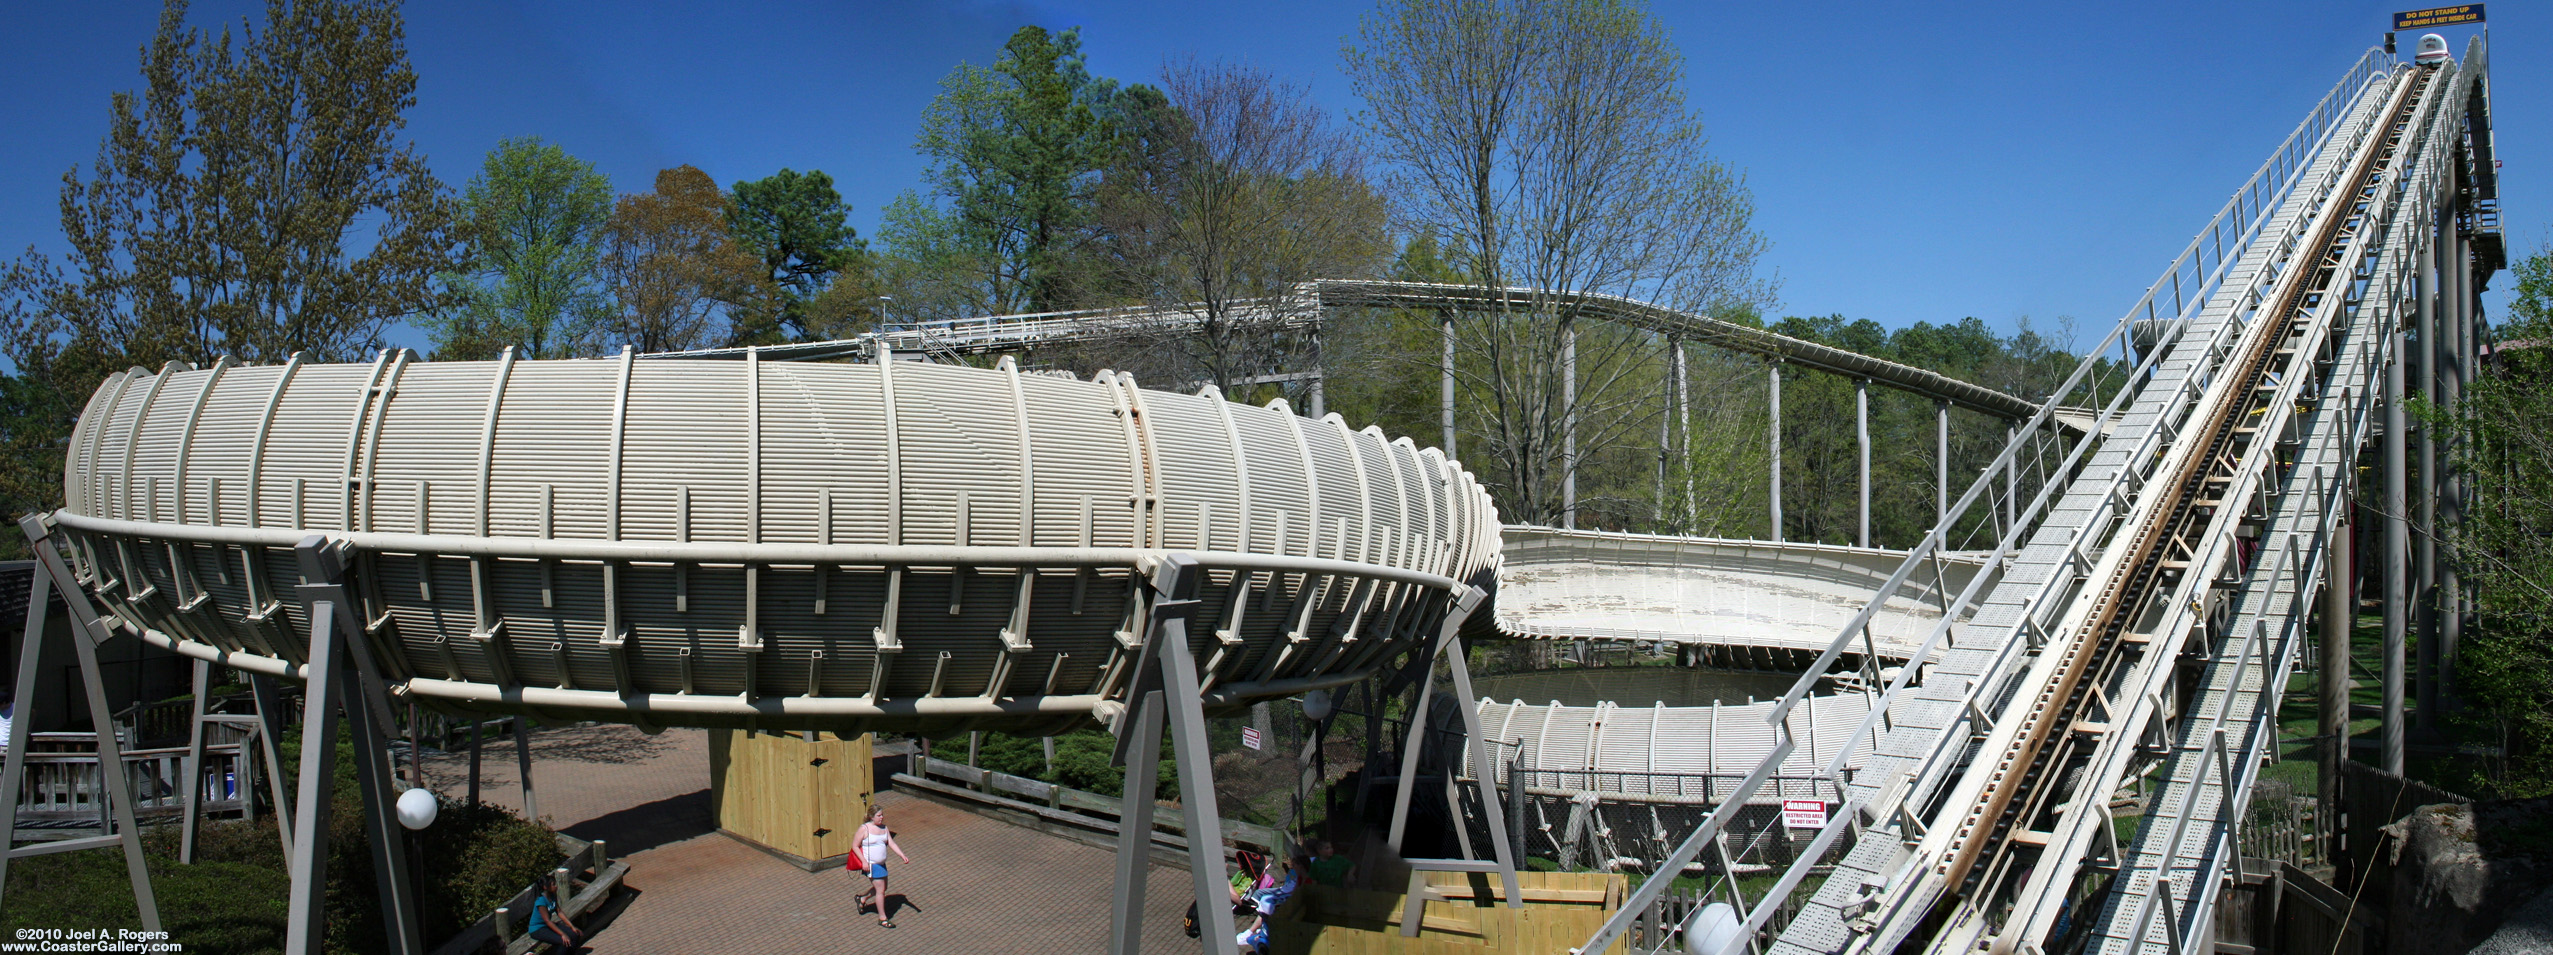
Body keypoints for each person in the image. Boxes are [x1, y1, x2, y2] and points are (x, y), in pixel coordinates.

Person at [853, 803, 911, 927]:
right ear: (871, 817)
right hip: (872, 865)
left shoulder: (884, 828)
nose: (882, 817)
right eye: (879, 815)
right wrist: (863, 861)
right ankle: (883, 918)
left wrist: (902, 855)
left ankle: (862, 899)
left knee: (883, 888)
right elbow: (855, 846)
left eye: (882, 815)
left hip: (882, 864)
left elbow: (892, 843)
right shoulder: (865, 829)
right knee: (880, 891)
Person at [527, 871, 583, 952]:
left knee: (574, 935)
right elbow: (547, 921)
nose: (556, 886)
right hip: (538, 929)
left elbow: (559, 911)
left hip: (548, 925)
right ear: (545, 887)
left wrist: (572, 926)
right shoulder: (541, 901)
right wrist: (563, 934)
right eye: (553, 884)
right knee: (563, 941)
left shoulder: (553, 895)